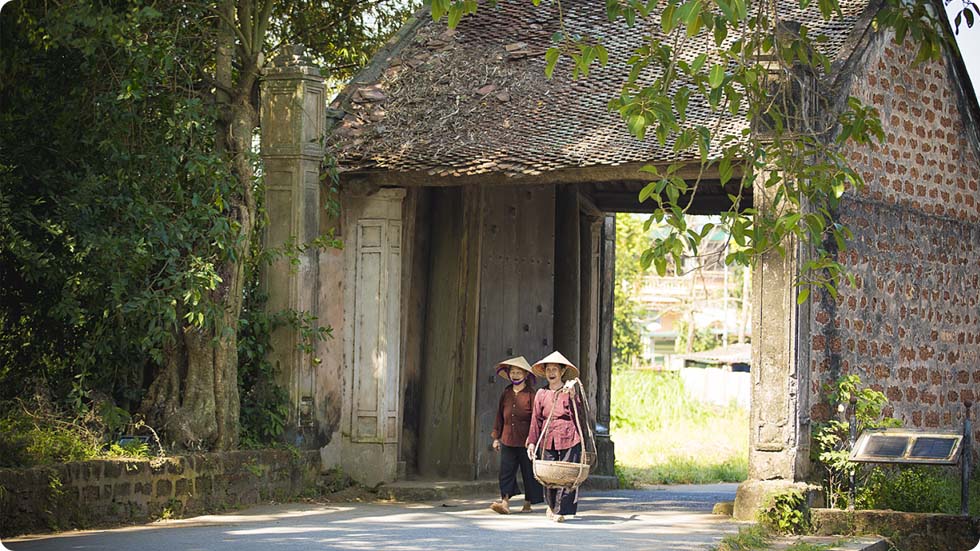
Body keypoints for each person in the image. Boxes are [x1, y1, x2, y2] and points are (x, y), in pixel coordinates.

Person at [526, 351, 585, 523]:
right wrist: (531, 442)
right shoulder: (541, 393)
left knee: (566, 475)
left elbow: (579, 415)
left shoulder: (570, 391)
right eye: (548, 369)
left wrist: (573, 397)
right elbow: (535, 419)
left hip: (569, 436)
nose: (551, 373)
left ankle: (561, 510)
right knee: (548, 475)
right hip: (547, 437)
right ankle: (552, 506)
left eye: (555, 369)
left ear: (562, 371)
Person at [489, 356, 544, 515]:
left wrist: (533, 439)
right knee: (505, 471)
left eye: (519, 372)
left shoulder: (531, 394)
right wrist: (496, 437)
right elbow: (500, 415)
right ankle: (505, 503)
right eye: (513, 372)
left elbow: (536, 418)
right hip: (507, 438)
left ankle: (528, 503)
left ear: (525, 375)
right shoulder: (506, 393)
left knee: (528, 472)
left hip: (526, 441)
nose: (515, 375)